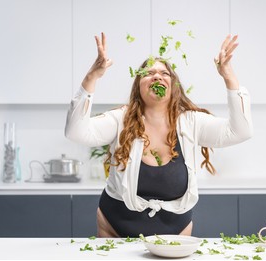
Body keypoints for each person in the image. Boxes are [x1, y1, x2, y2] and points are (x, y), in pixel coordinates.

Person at [65, 32, 253, 238]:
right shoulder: (120, 119)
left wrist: (229, 76)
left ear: (173, 86)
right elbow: (76, 132)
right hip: (115, 229)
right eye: (149, 73)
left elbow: (240, 131)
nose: (157, 76)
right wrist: (92, 76)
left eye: (165, 74)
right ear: (138, 86)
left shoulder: (191, 122)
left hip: (176, 232)